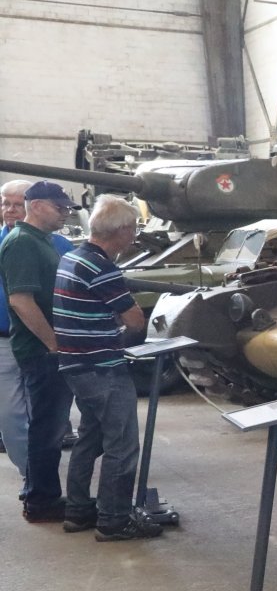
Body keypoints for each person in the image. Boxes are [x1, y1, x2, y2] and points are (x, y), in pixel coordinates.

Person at [55, 196, 162, 541]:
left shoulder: (72, 256)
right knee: (123, 445)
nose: (134, 237)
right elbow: (135, 319)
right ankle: (113, 520)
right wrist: (117, 327)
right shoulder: (102, 268)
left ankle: (77, 511)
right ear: (123, 231)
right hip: (102, 368)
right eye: (133, 230)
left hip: (76, 365)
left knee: (90, 437)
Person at [0, 181, 77, 520]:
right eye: (60, 207)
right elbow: (20, 300)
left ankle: (40, 493)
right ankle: (41, 500)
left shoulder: (42, 240)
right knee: (43, 428)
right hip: (40, 350)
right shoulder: (22, 242)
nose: (65, 214)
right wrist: (53, 343)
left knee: (49, 426)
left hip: (43, 348)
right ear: (39, 206)